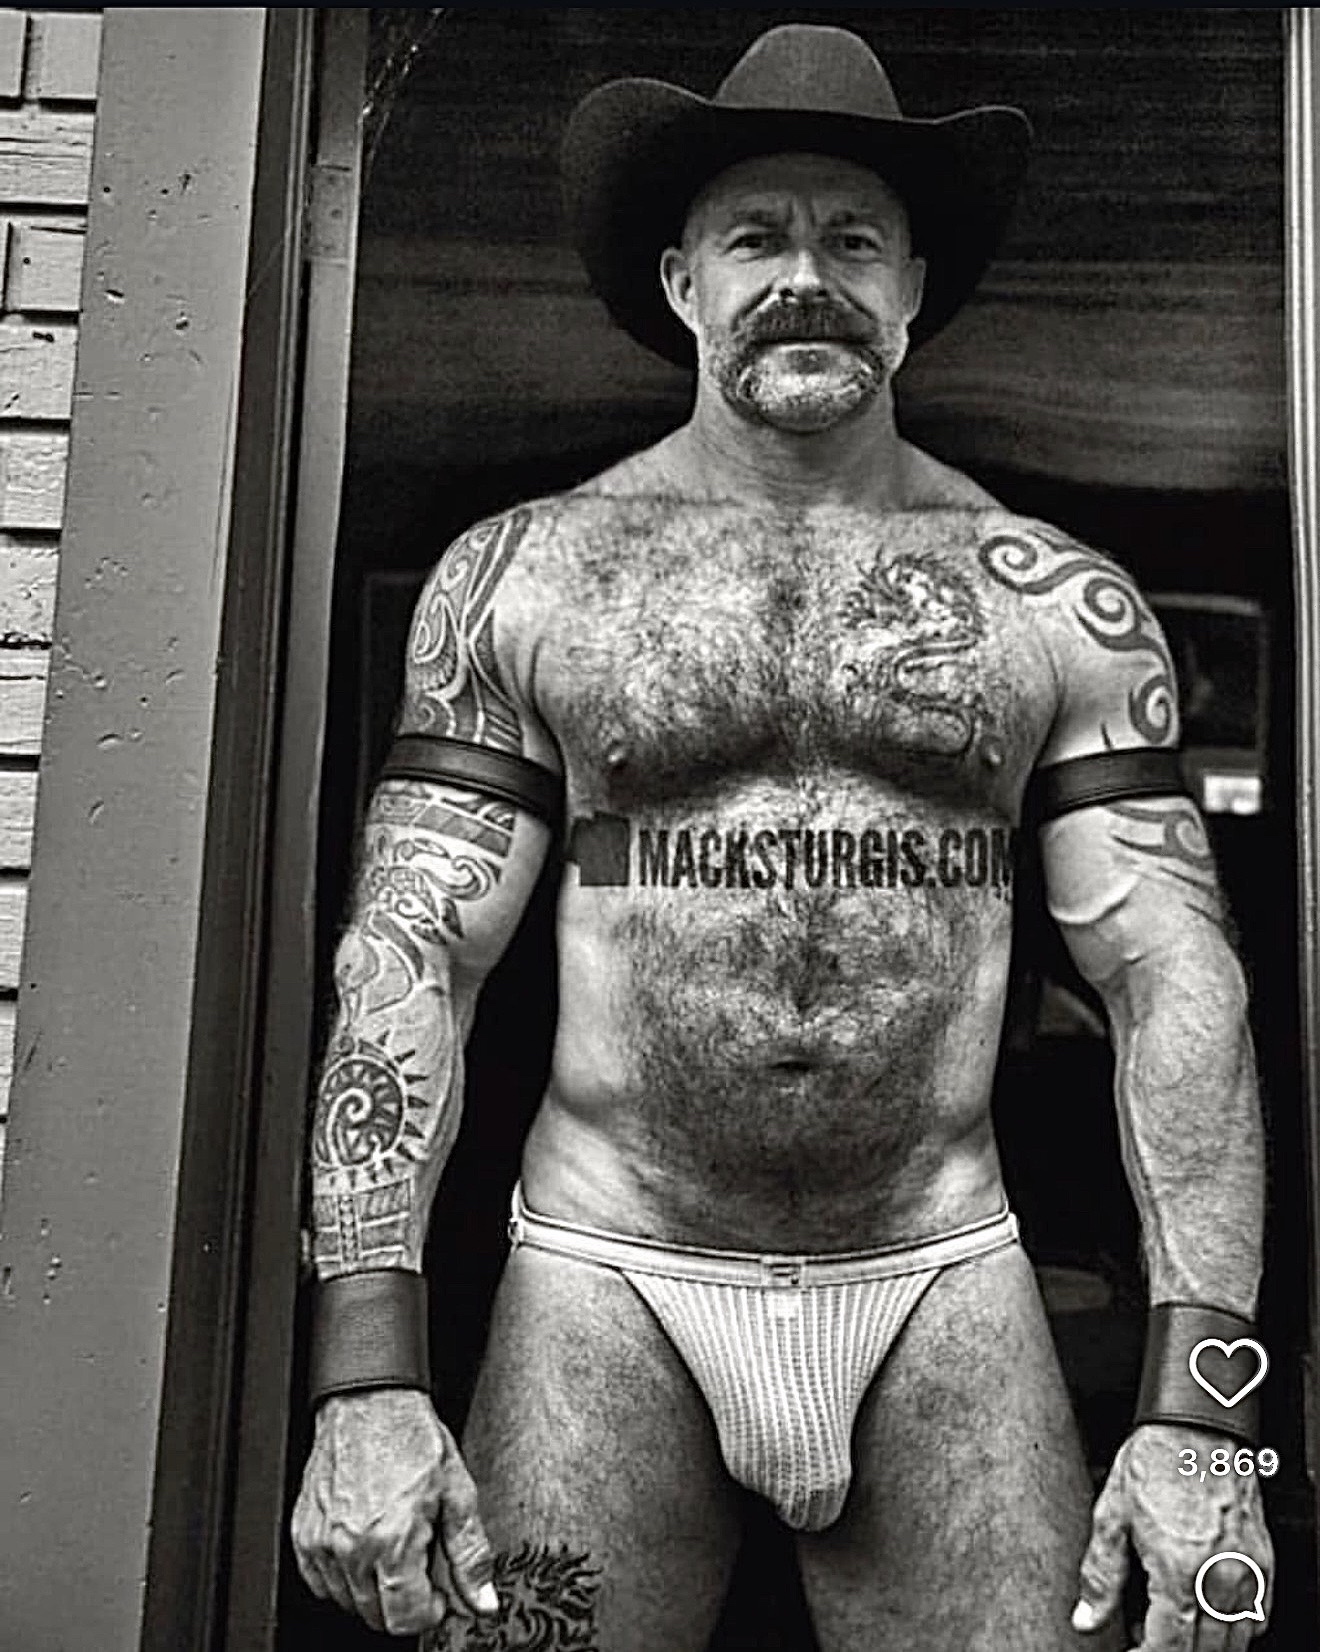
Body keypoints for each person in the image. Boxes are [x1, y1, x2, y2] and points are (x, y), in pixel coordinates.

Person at [291, 24, 1274, 1652]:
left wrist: (1204, 1410)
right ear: (682, 283)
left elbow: (1177, 979)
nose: (805, 278)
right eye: (757, 238)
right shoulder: (529, 578)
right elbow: (410, 956)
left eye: (854, 242)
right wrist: (365, 1376)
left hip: (937, 1269)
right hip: (610, 1265)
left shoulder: (1052, 601)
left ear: (912, 291)